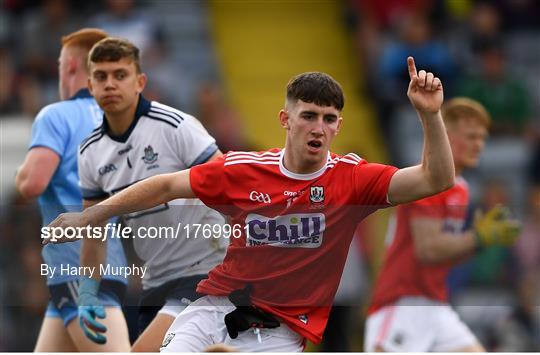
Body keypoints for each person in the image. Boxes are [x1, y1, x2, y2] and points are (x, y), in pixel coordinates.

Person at [47, 57, 455, 351]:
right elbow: (166, 185)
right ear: (285, 119)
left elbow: (435, 178)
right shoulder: (242, 170)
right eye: (309, 115)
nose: (319, 128)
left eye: (329, 119)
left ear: (339, 126)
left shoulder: (351, 178)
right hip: (213, 308)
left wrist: (430, 116)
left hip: (281, 332)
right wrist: (92, 214)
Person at [77, 37, 226, 351]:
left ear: (140, 82)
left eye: (120, 75)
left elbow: (229, 183)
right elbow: (95, 230)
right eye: (101, 77)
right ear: (90, 86)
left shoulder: (175, 126)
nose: (110, 84)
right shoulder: (89, 152)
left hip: (205, 272)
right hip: (155, 282)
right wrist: (88, 292)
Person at [364, 98, 522, 352]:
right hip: (403, 304)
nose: (479, 145)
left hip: (434, 304)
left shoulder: (461, 188)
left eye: (482, 137)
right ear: (446, 137)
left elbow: (444, 251)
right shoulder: (427, 183)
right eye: (470, 136)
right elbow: (427, 250)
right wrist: (479, 239)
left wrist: (478, 241)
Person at [15, 28, 130, 352]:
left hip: (78, 271)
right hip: (109, 266)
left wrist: (20, 173)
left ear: (69, 68)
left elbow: (32, 184)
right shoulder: (118, 122)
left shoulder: (56, 115)